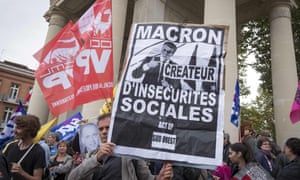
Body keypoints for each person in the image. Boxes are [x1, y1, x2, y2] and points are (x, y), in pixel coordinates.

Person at [68, 113, 173, 180]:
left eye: (108, 127)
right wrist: (97, 158)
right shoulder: (92, 155)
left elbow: (147, 178)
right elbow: (72, 177)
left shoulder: (130, 153)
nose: (104, 131)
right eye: (101, 129)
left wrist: (159, 177)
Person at [3, 114, 46, 180]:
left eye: (18, 128)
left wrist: (22, 173)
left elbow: (38, 178)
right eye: (15, 127)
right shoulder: (10, 145)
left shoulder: (38, 151)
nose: (15, 131)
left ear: (29, 131)